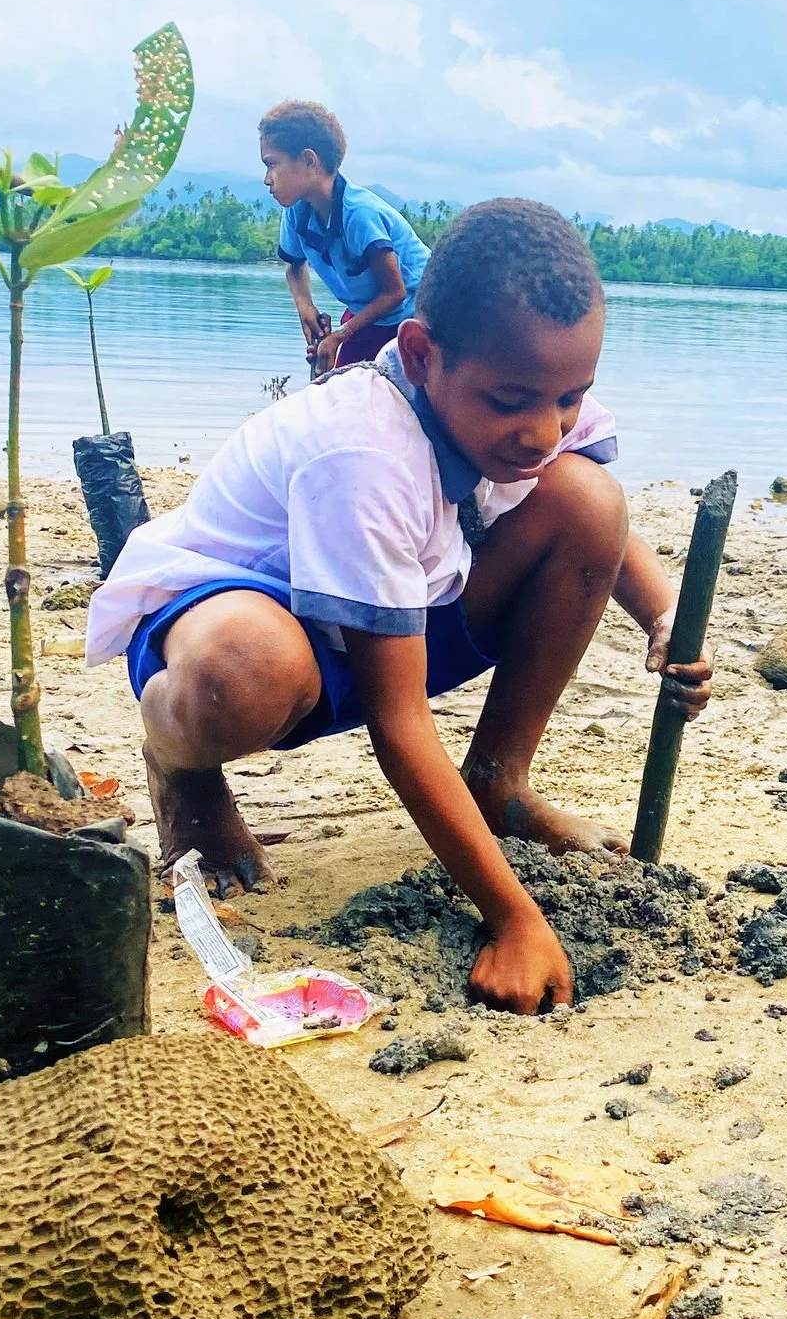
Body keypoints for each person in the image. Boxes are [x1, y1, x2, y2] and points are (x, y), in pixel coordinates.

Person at [85, 198, 705, 1014]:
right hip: (237, 616)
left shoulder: (535, 395)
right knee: (246, 673)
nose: (543, 429)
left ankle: (499, 784)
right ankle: (183, 769)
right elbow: (397, 720)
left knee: (585, 497)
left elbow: (597, 516)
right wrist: (512, 917)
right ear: (418, 354)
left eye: (568, 398)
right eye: (512, 401)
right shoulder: (365, 453)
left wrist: (665, 614)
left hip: (394, 605)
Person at [259, 100, 430, 379]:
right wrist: (306, 307)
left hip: (415, 314)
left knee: (397, 394)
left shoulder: (358, 215)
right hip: (368, 313)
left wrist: (340, 335)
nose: (267, 179)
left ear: (309, 161)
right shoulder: (297, 212)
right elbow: (295, 266)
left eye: (272, 165)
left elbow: (395, 292)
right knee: (331, 383)